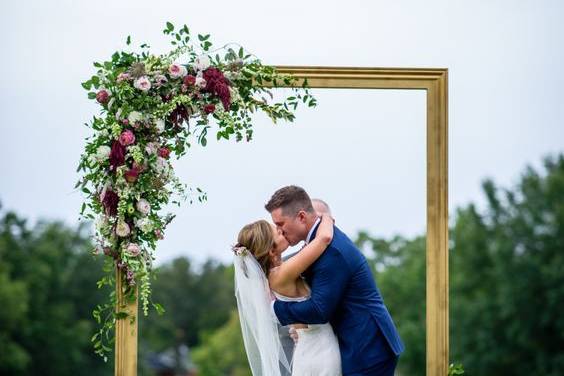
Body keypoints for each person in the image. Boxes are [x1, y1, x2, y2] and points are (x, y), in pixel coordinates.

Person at [266, 185, 404, 376]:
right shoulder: (317, 243)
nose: (279, 231)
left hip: (368, 346)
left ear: (301, 217)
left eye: (280, 224)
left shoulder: (333, 253)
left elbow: (319, 310)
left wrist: (275, 310)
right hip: (353, 342)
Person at [234, 213, 341, 375]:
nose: (281, 230)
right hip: (321, 350)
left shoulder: (273, 276)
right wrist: (324, 216)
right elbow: (324, 238)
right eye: (277, 232)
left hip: (306, 349)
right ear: (271, 250)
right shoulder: (281, 273)